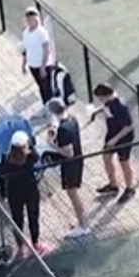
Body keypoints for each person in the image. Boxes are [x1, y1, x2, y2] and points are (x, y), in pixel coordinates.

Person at [45, 98, 90, 238]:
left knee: (73, 193)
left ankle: (83, 225)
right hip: (77, 160)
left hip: (71, 164)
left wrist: (51, 144)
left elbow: (68, 152)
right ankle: (82, 221)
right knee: (73, 193)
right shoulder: (72, 119)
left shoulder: (64, 129)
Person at [0, 129, 46, 255]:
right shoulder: (30, 157)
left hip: (14, 193)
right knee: (33, 216)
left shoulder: (6, 160)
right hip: (30, 191)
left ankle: (20, 247)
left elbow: (2, 177)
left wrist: (3, 193)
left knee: (17, 220)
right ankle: (35, 243)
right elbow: (36, 155)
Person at [92, 84, 137, 204]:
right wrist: (97, 111)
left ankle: (130, 188)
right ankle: (113, 185)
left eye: (101, 98)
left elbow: (129, 126)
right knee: (106, 157)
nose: (100, 101)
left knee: (124, 163)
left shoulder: (121, 107)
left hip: (123, 138)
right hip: (112, 133)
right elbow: (106, 107)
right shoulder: (109, 102)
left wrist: (115, 140)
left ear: (107, 95)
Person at [21, 7, 55, 105]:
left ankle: (52, 109)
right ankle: (46, 106)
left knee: (47, 89)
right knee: (41, 87)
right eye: (28, 18)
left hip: (44, 66)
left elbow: (46, 50)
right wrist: (24, 64)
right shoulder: (26, 33)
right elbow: (26, 49)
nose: (30, 21)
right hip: (33, 65)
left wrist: (43, 67)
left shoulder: (42, 32)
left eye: (32, 18)